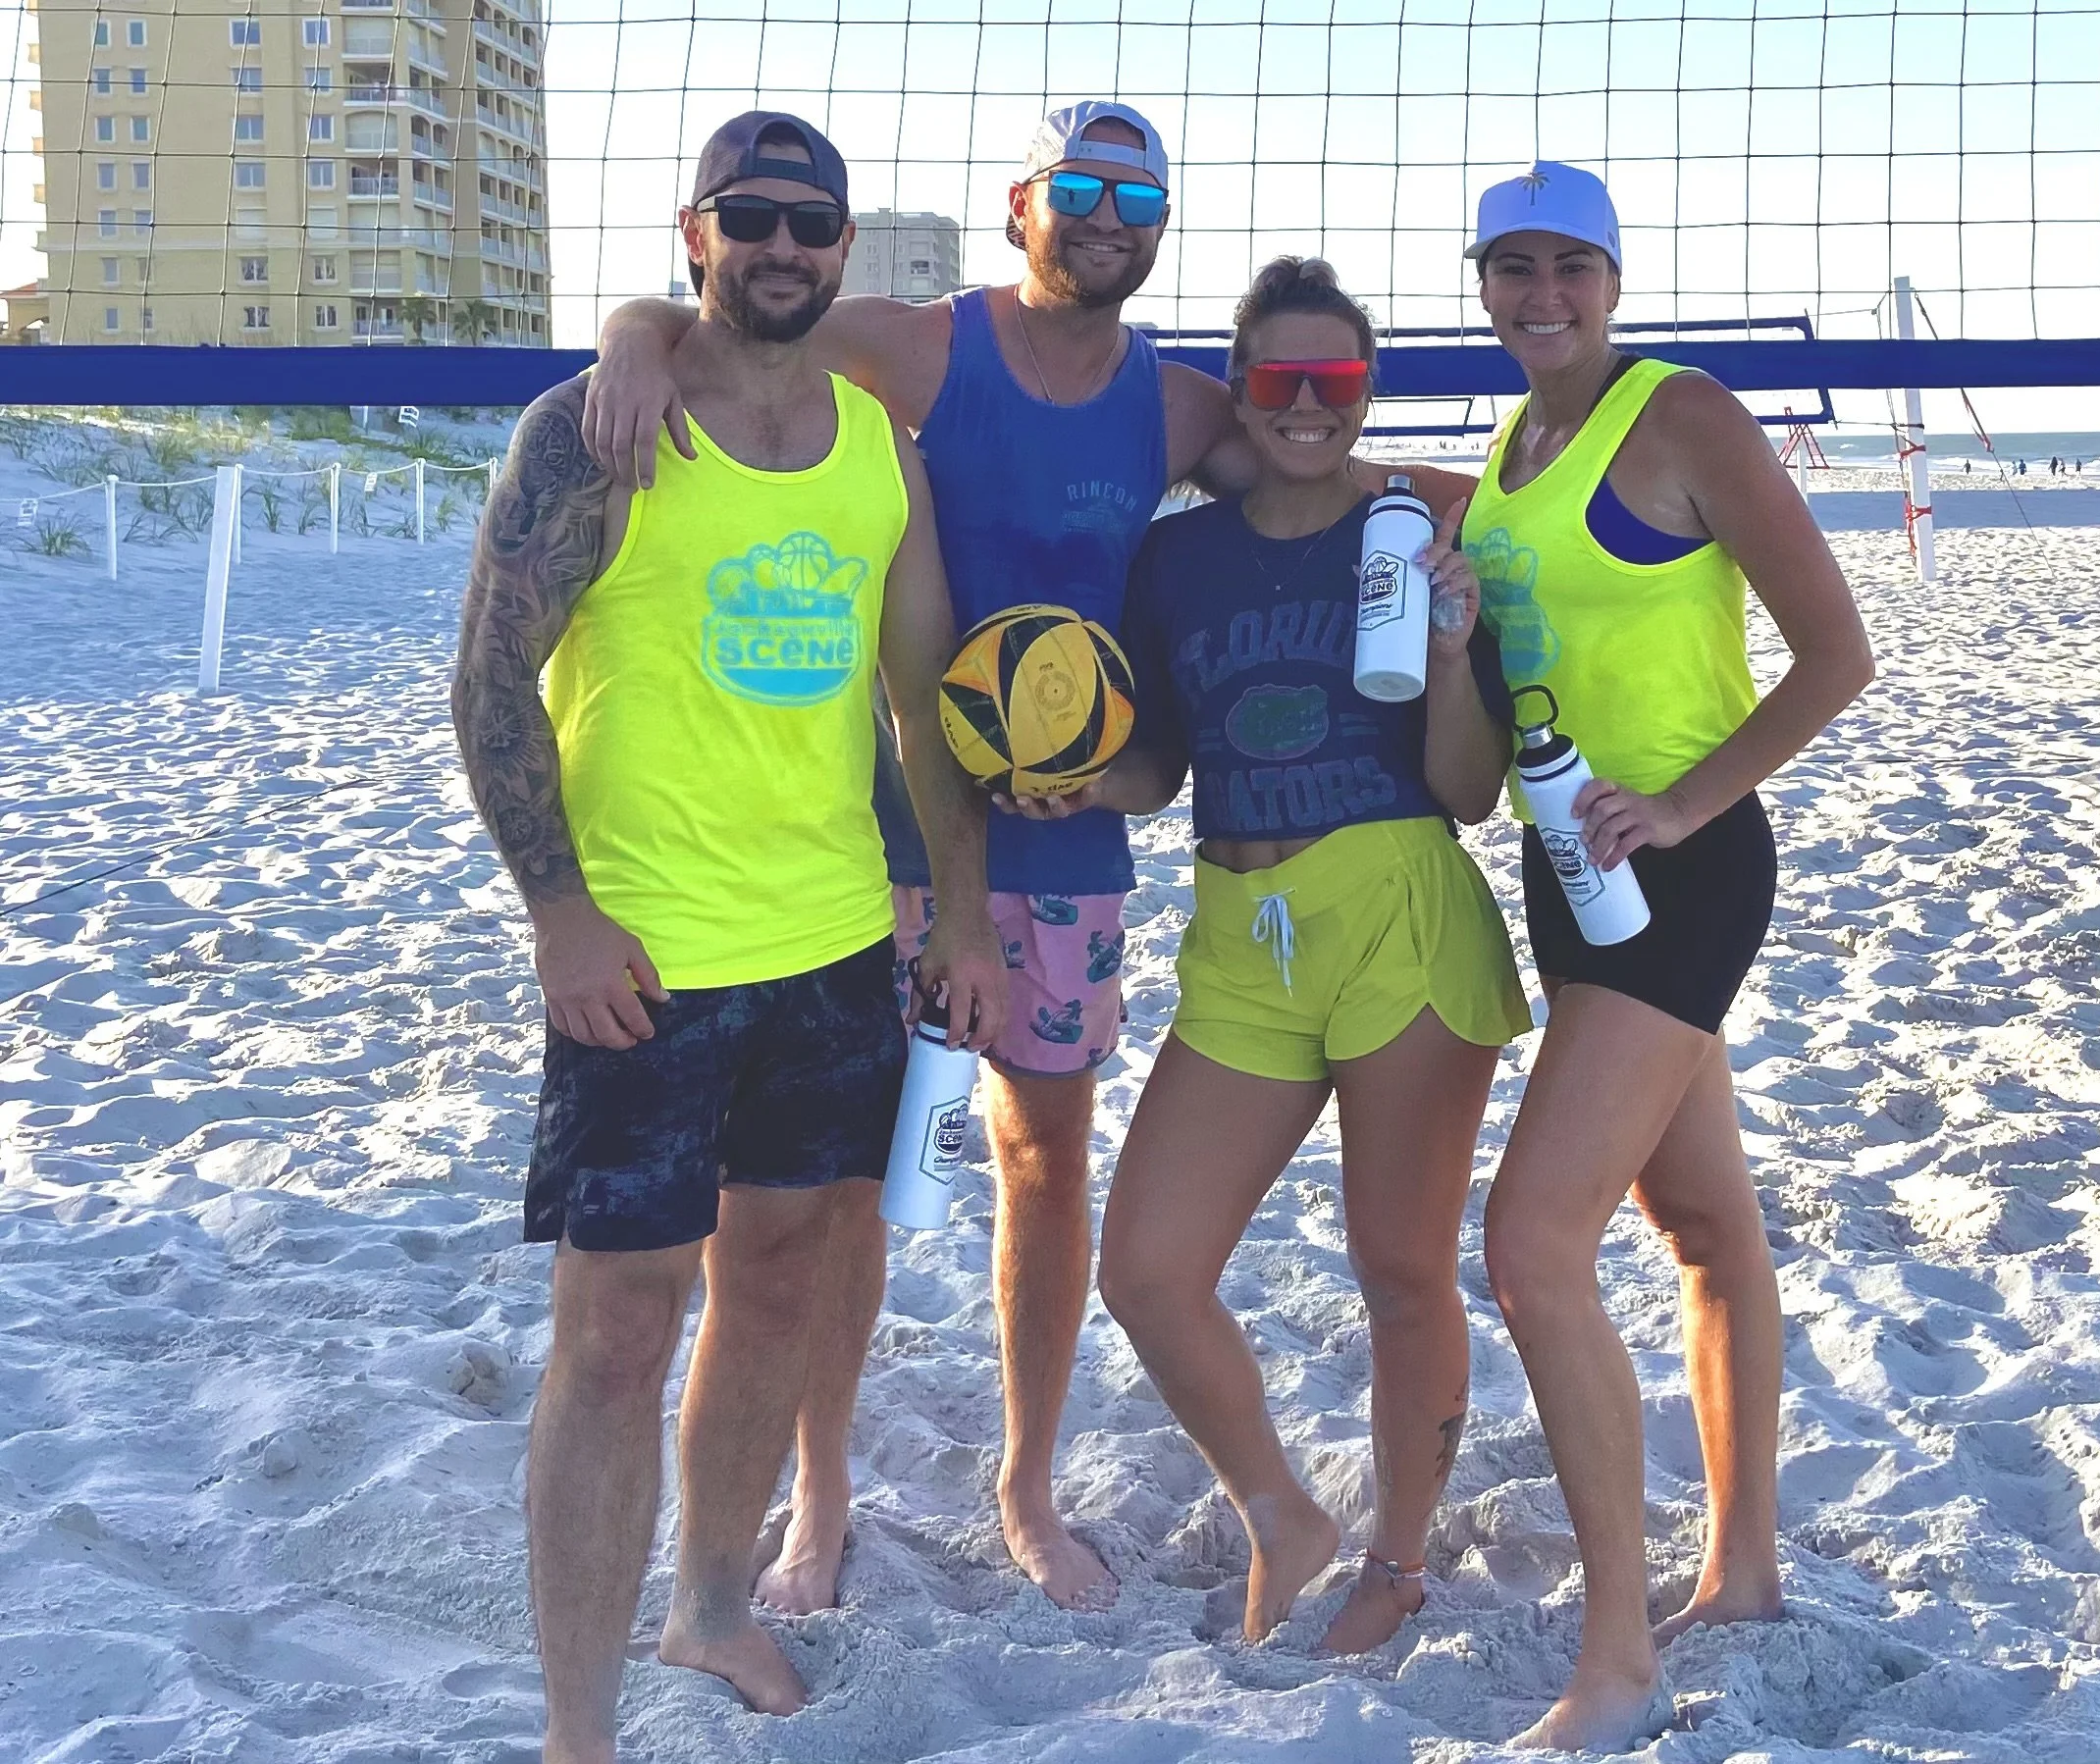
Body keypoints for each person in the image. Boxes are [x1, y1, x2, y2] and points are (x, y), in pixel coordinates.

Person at [578, 102, 1275, 1614]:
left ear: (1160, 222)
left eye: (1135, 194)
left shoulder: (1176, 406)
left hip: (1069, 836)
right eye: (1078, 186)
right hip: (876, 835)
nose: (1106, 214)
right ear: (1023, 202)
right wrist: (633, 330)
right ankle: (820, 1495)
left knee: (1044, 1162)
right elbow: (736, 328)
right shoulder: (924, 345)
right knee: (830, 1186)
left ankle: (1025, 1482)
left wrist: (1482, 521)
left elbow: (1319, 468)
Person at [450, 113, 1005, 1762]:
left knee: (777, 1283)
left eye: (809, 223)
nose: (781, 246)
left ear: (842, 251)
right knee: (614, 1333)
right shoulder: (597, 425)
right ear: (694, 234)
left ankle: (708, 1601)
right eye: (748, 217)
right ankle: (577, 1730)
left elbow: (927, 708)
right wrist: (558, 913)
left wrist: (961, 914)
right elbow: (488, 682)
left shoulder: (871, 445)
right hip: (645, 955)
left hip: (834, 946)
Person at [1040, 258, 1532, 1655]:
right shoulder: (1177, 555)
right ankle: (1280, 1508)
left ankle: (1396, 1560)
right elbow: (1157, 767)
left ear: (1367, 391)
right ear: (1241, 389)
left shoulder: (1414, 527)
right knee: (1144, 1263)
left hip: (1398, 908)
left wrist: (1450, 640)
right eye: (1280, 380)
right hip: (1242, 929)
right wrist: (1075, 777)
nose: (1308, 405)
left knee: (1399, 1265)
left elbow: (1468, 789)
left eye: (1338, 381)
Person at [1450, 163, 1874, 1752]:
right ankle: (1746, 1565)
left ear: (1615, 281)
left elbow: (1838, 653)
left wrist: (1687, 801)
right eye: (1512, 268)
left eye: (1570, 266)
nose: (1540, 292)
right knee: (1701, 1220)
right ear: (1481, 283)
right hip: (1571, 872)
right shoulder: (1506, 451)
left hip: (1683, 871)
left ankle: (1618, 1655)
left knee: (1532, 1242)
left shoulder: (1682, 414)